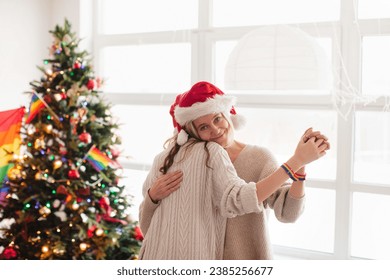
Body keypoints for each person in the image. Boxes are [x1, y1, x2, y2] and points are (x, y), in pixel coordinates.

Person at [138, 81, 329, 260]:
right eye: (204, 127)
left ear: (228, 115)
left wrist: (301, 163)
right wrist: (152, 197)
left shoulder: (259, 158)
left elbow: (289, 214)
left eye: (218, 119)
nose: (215, 130)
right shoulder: (188, 164)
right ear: (193, 133)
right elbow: (149, 229)